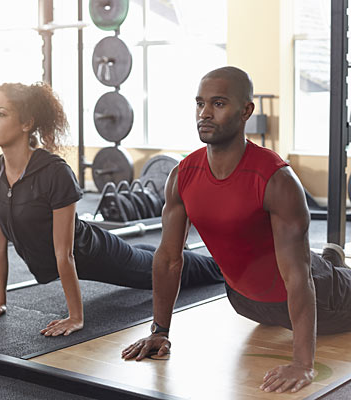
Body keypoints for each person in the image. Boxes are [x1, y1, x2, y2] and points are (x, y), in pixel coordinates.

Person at [121, 66, 351, 394]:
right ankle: (330, 256)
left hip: (324, 299)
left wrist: (303, 363)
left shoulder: (276, 180)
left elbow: (299, 278)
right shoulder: (182, 175)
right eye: (200, 103)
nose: (204, 113)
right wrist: (160, 330)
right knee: (299, 259)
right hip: (244, 301)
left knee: (315, 270)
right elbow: (169, 258)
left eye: (218, 104)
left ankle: (332, 262)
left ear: (246, 111)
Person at [0, 82, 224, 337]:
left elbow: (64, 253)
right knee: (148, 254)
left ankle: (223, 268)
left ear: (27, 123)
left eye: (1, 114)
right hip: (77, 256)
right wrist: (0, 300)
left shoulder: (55, 172)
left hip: (95, 254)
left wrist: (76, 317)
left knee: (159, 269)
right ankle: (167, 252)